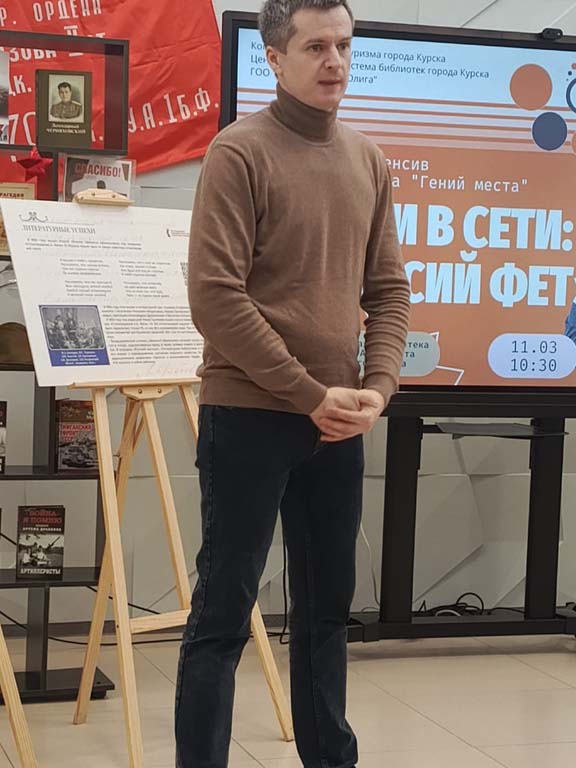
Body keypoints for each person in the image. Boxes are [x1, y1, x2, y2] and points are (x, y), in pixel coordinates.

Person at [176, 2, 411, 767]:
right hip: (250, 415)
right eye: (315, 47)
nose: (334, 61)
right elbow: (215, 298)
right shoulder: (238, 153)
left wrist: (377, 387)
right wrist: (310, 393)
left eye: (343, 45)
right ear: (274, 59)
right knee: (222, 618)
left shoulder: (368, 160)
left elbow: (389, 290)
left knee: (325, 616)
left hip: (339, 422)